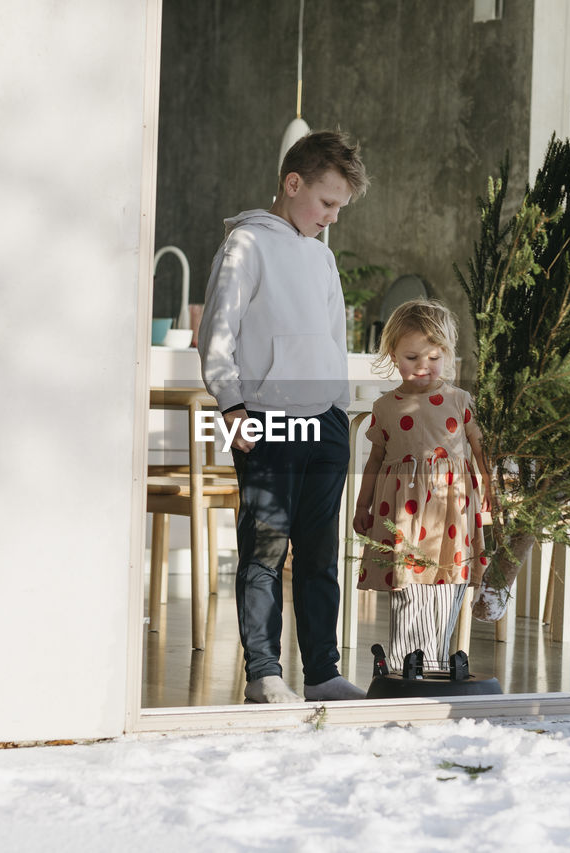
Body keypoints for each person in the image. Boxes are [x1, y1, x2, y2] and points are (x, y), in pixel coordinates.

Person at [198, 130, 369, 704]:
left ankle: (322, 672)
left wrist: (339, 411)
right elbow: (215, 333)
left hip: (325, 421)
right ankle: (264, 675)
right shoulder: (247, 244)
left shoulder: (321, 254)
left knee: (321, 557)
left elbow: (332, 336)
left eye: (340, 208)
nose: (332, 218)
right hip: (267, 419)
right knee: (265, 551)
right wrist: (231, 405)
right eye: (326, 203)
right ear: (292, 184)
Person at [353, 299, 495, 672]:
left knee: (446, 584)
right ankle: (404, 665)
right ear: (393, 355)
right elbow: (375, 461)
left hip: (450, 510)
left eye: (433, 358)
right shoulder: (386, 407)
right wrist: (361, 506)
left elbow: (480, 450)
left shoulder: (460, 401)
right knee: (407, 586)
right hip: (403, 514)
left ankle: (433, 660)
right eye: (412, 357)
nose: (422, 367)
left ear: (447, 354)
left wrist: (491, 489)